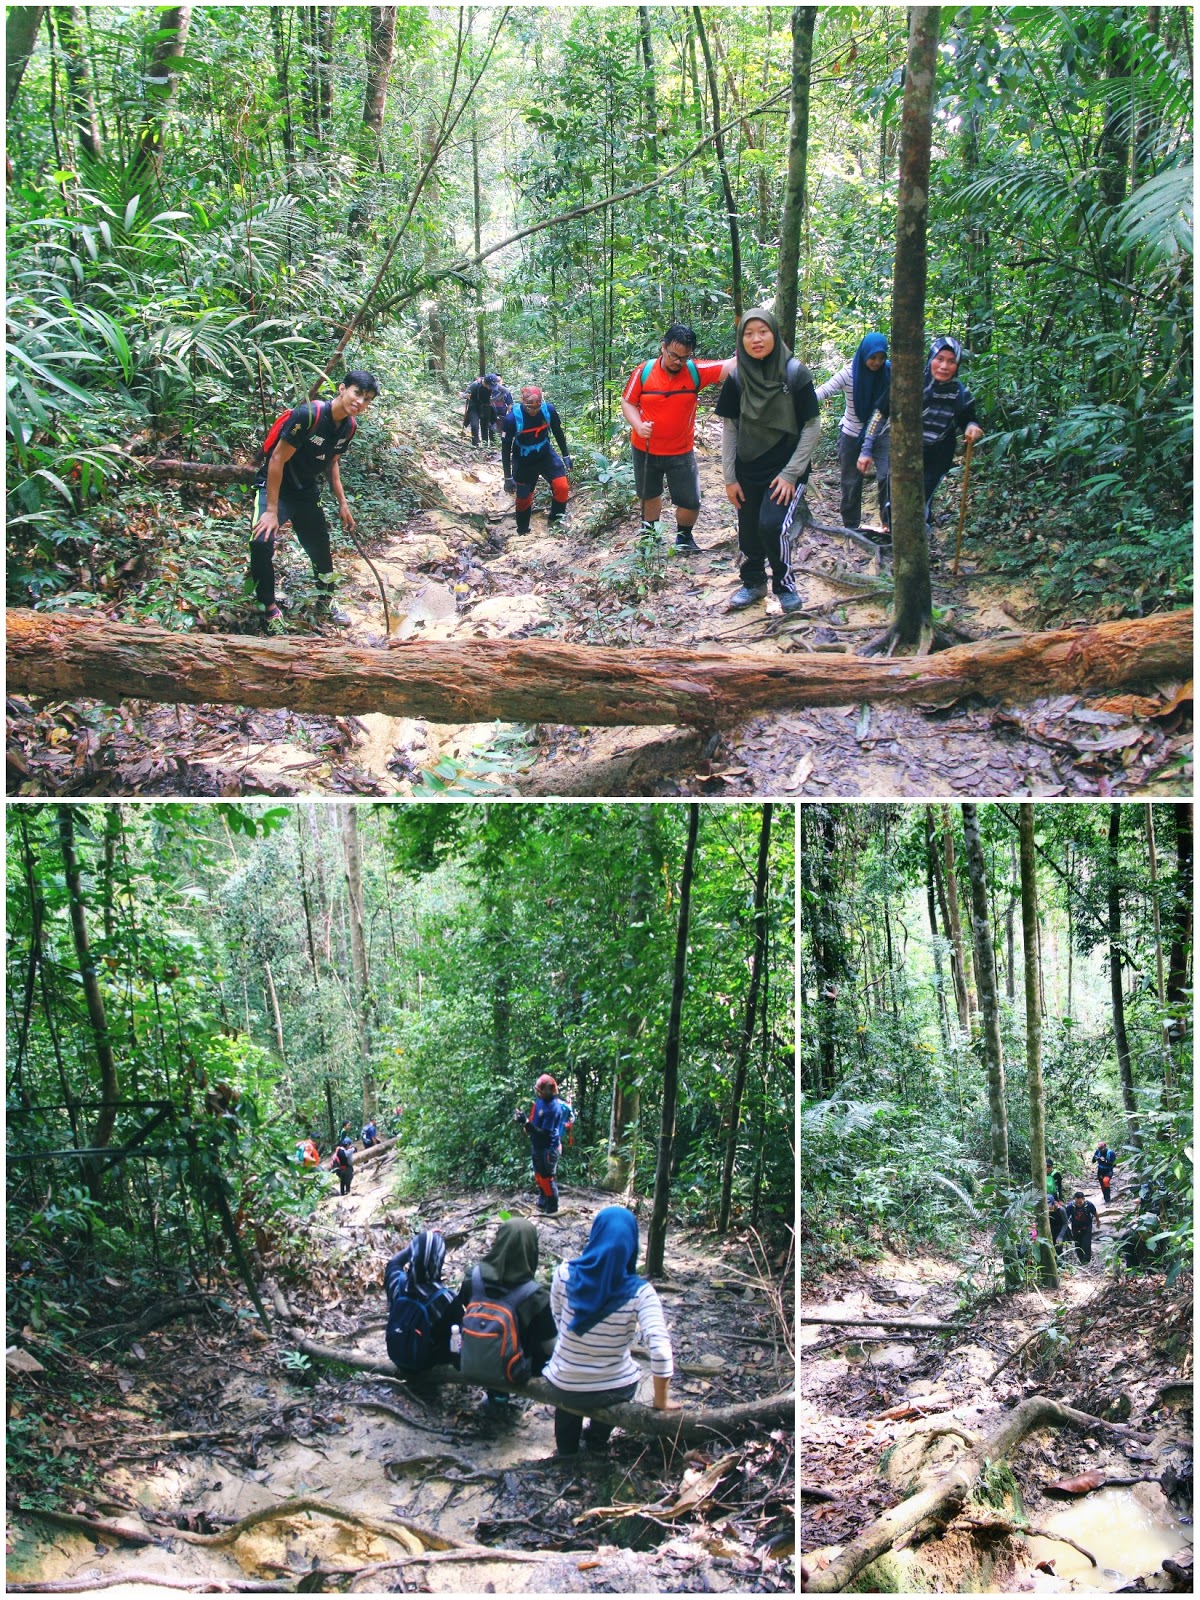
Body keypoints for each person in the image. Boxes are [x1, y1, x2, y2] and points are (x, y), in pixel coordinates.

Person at [249, 369, 378, 634]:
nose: (360, 402)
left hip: (306, 491)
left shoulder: (348, 427)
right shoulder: (309, 414)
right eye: (357, 394)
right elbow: (277, 459)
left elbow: (332, 464)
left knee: (320, 544)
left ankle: (325, 600)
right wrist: (271, 510)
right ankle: (269, 608)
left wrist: (342, 502)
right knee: (261, 542)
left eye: (367, 399)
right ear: (342, 389)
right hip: (275, 486)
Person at [543, 1206, 678, 1457]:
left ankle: (567, 1454)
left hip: (565, 1382)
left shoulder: (563, 1274)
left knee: (568, 1392)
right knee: (619, 1382)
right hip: (613, 1388)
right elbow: (660, 1351)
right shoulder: (641, 1293)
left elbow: (558, 1321)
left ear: (596, 1235)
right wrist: (661, 1401)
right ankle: (596, 1443)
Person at [714, 306, 820, 614]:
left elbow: (812, 426)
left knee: (772, 526)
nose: (756, 339)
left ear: (775, 333)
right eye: (748, 334)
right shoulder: (737, 377)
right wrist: (730, 478)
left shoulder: (795, 373)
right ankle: (753, 584)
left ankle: (785, 586)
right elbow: (731, 427)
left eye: (763, 332)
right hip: (748, 466)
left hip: (785, 467)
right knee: (748, 529)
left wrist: (790, 474)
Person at [619, 324, 734, 553]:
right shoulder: (643, 371)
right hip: (645, 448)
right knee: (649, 495)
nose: (677, 362)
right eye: (673, 355)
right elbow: (628, 402)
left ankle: (684, 539)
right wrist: (638, 425)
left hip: (681, 451)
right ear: (663, 347)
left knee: (690, 500)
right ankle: (649, 537)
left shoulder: (695, 372)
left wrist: (751, 339)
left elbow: (729, 366)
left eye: (684, 357)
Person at [858, 336, 983, 530]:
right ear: (930, 358)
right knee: (895, 500)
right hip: (903, 450)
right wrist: (866, 450)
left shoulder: (959, 393)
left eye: (951, 361)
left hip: (938, 454)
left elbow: (968, 418)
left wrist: (971, 427)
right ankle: (892, 538)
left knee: (920, 500)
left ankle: (920, 544)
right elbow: (880, 415)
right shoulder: (908, 384)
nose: (944, 366)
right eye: (939, 359)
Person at [457, 1219, 557, 1417]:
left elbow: (461, 1308)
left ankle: (495, 1395)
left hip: (471, 1356)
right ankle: (502, 1395)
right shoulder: (535, 1296)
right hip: (512, 1369)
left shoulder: (472, 1278)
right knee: (543, 1342)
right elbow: (550, 1347)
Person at [815, 333, 890, 533]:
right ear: (864, 354)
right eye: (873, 357)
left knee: (887, 476)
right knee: (851, 481)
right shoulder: (849, 373)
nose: (877, 362)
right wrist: (800, 401)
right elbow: (825, 390)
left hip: (881, 434)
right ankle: (851, 527)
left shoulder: (888, 373)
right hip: (851, 433)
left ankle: (888, 524)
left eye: (881, 358)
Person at [385, 1229, 461, 1374]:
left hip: (398, 1358)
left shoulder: (396, 1282)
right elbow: (459, 1342)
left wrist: (418, 1244)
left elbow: (394, 1262)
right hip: (427, 1366)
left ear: (412, 1255)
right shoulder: (448, 1299)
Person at [501, 386, 573, 533]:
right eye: (529, 407)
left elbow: (558, 432)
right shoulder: (512, 419)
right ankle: (522, 531)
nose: (533, 411)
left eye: (537, 407)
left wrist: (566, 455)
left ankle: (555, 523)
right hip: (523, 460)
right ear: (522, 402)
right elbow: (505, 448)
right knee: (524, 497)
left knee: (562, 487)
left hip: (545, 454)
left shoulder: (548, 411)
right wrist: (507, 476)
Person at [515, 1073, 567, 1214]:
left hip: (548, 1148)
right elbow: (533, 1120)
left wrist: (526, 1123)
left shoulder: (553, 1108)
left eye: (540, 1091)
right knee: (538, 1176)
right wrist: (524, 1121)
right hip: (537, 1146)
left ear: (549, 1091)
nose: (538, 1093)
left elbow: (544, 1132)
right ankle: (543, 1199)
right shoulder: (540, 1101)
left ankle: (552, 1207)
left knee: (547, 1179)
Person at [464, 372, 511, 447]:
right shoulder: (476, 384)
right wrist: (466, 396)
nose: (492, 388)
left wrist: (493, 399)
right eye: (490, 386)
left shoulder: (494, 385)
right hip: (474, 406)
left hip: (486, 406)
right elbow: (464, 394)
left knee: (484, 427)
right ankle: (475, 445)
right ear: (485, 383)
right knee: (474, 425)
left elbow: (505, 391)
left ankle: (485, 445)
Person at [1065, 1190, 1100, 1264]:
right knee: (1077, 1244)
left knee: (1086, 1244)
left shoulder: (1089, 1205)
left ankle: (1086, 1260)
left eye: (1080, 1202)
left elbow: (1095, 1213)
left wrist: (1098, 1221)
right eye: (1076, 1202)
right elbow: (1065, 1218)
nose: (1078, 1204)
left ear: (1083, 1199)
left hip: (1087, 1227)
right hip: (1075, 1227)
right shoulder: (1071, 1206)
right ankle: (1081, 1260)